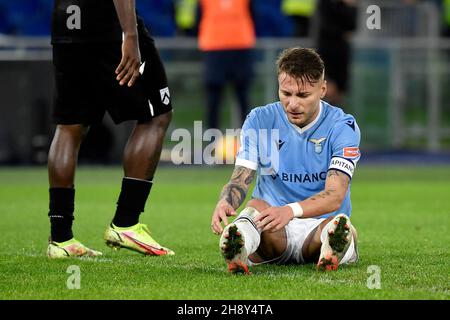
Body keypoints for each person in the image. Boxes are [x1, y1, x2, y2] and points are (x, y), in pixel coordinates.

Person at [210, 47, 360, 273]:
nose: (292, 104)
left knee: (337, 226)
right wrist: (226, 201)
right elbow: (241, 177)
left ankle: (334, 243)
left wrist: (290, 210)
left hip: (318, 225)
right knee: (255, 209)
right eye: (286, 93)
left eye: (302, 95)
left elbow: (335, 195)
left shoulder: (342, 126)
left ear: (322, 89)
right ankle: (240, 239)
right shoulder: (260, 119)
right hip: (272, 225)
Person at [47, 0, 174, 258]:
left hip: (64, 23)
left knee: (70, 126)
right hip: (107, 25)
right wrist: (130, 34)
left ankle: (60, 239)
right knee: (157, 115)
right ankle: (126, 222)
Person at [198, 0, 256, 130]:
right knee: (215, 99)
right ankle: (212, 142)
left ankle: (247, 141)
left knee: (242, 97)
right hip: (216, 46)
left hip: (236, 45)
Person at [316, 0, 357, 107]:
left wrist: (350, 7)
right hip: (328, 52)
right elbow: (328, 26)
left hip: (341, 54)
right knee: (329, 91)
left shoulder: (344, 5)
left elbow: (352, 26)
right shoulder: (325, 4)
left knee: (339, 94)